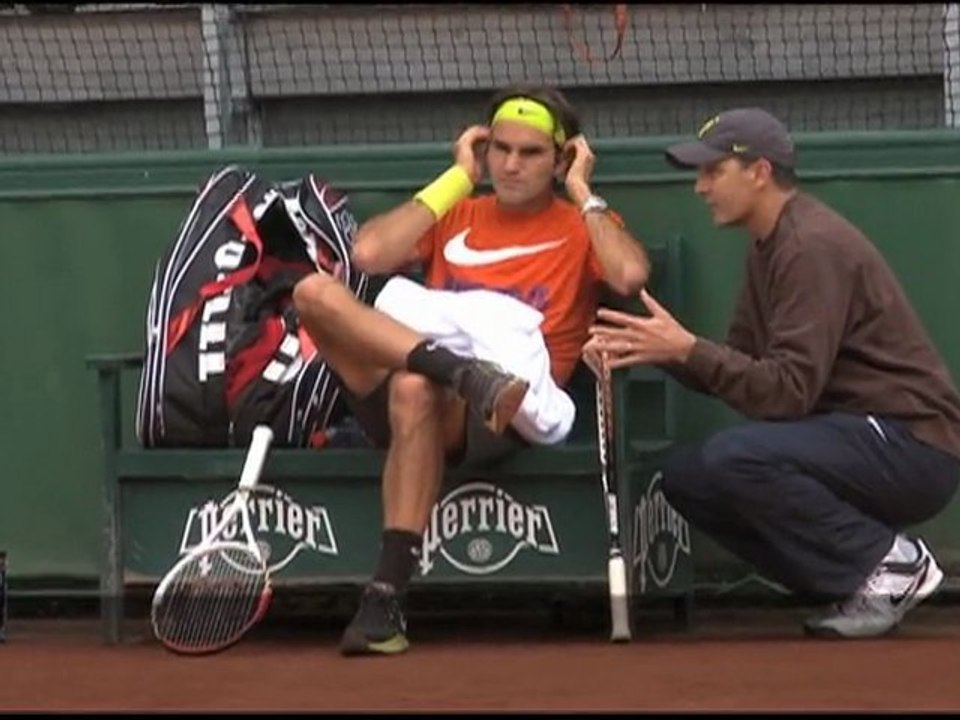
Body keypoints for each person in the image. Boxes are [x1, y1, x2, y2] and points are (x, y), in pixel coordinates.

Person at [292, 84, 650, 656]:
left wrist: (582, 190)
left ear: (561, 158)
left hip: (494, 407)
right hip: (418, 374)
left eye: (531, 153)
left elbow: (629, 275)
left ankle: (385, 597)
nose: (510, 164)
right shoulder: (456, 208)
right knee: (313, 293)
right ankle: (454, 368)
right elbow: (368, 254)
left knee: (414, 388)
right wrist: (459, 175)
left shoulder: (580, 225)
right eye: (499, 149)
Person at [584, 107, 960, 639]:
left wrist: (688, 348)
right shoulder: (771, 245)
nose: (700, 187)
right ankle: (853, 580)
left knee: (735, 458)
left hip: (913, 444)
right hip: (852, 441)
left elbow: (785, 393)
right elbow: (743, 366)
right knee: (689, 479)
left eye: (713, 172)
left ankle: (889, 562)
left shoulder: (810, 246)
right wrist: (657, 349)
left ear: (759, 172)